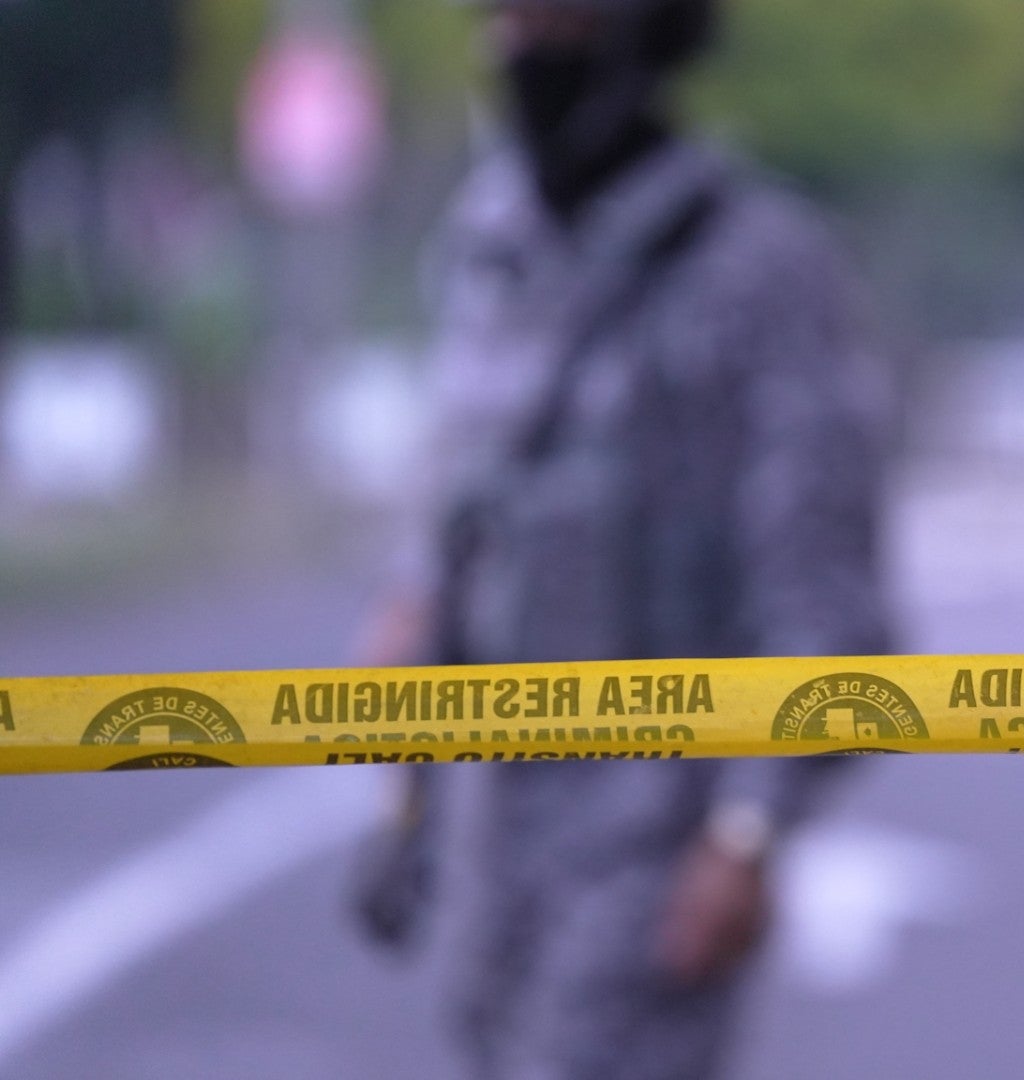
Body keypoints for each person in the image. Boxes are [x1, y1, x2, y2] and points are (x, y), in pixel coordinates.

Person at [352, 0, 893, 1076]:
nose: (516, 47)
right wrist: (404, 728)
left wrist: (746, 832)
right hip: (492, 821)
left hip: (654, 826)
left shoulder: (757, 265)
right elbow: (460, 501)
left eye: (551, 18)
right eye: (504, 18)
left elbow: (820, 589)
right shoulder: (494, 245)